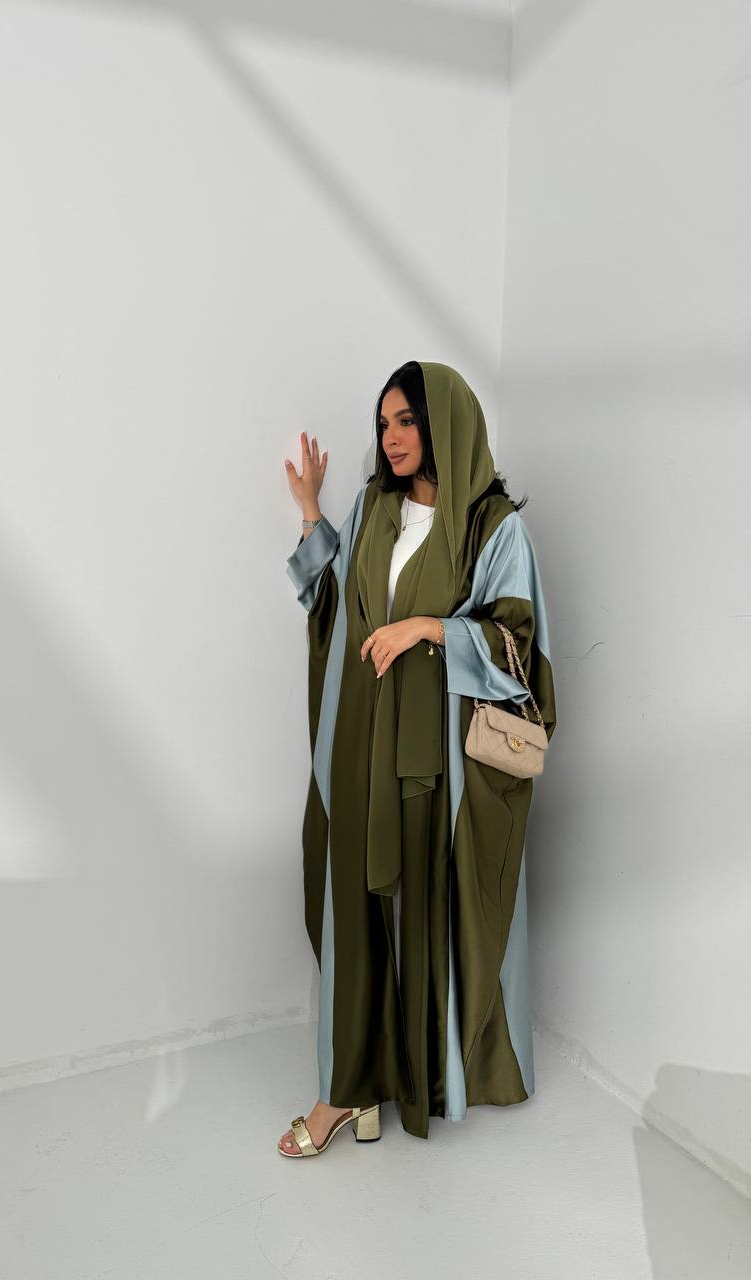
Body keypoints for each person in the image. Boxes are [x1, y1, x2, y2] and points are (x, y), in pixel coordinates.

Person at [277, 360, 557, 1158]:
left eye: (407, 421)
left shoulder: (493, 528)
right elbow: (340, 602)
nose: (392, 438)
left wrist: (429, 629)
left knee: (428, 912)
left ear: (445, 425)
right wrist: (311, 515)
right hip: (363, 742)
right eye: (384, 423)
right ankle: (344, 1091)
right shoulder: (374, 506)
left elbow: (519, 646)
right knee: (353, 907)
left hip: (439, 759)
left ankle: (419, 1077)